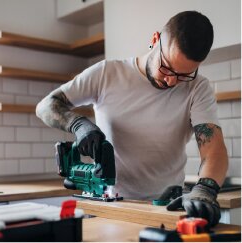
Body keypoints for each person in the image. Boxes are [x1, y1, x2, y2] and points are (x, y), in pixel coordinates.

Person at [36, 11, 228, 226]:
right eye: (166, 67)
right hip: (108, 205)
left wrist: (205, 189)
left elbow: (213, 150)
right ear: (155, 40)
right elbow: (46, 105)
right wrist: (78, 125)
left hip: (165, 208)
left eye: (184, 75)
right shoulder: (107, 73)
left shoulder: (198, 88)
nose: (171, 81)